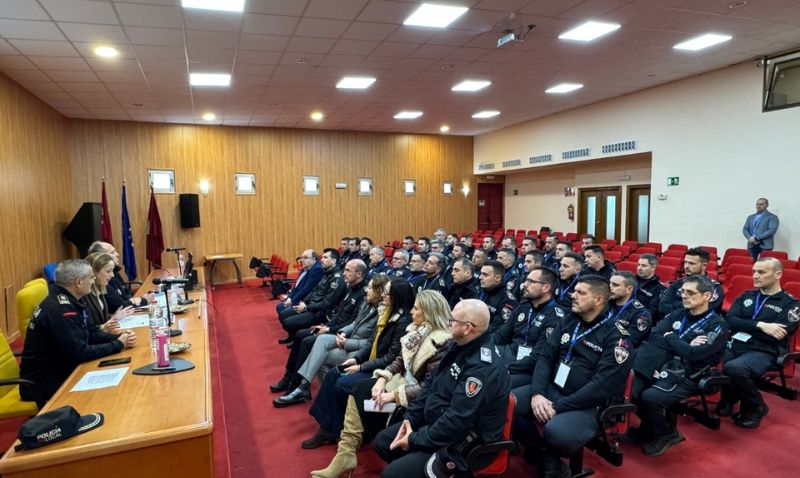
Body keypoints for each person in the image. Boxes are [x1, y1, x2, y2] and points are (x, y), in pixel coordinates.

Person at [310, 290, 453, 478]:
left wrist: (393, 395)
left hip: (416, 396)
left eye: (416, 309)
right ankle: (345, 455)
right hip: (400, 383)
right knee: (358, 388)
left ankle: (358, 455)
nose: (412, 311)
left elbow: (428, 386)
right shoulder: (418, 330)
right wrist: (382, 378)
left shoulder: (442, 342)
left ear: (429, 312)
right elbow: (399, 361)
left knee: (356, 388)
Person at [373, 300, 511, 478]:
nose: (448, 323)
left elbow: (458, 421)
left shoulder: (482, 369)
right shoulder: (458, 344)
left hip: (464, 440)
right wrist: (411, 420)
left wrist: (414, 440)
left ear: (467, 328)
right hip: (438, 422)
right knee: (383, 442)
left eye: (452, 320)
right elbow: (430, 385)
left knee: (391, 474)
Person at [513, 276, 631, 478]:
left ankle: (548, 457)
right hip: (552, 389)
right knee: (507, 404)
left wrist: (558, 407)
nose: (572, 295)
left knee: (557, 432)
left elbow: (601, 386)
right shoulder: (568, 321)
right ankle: (548, 459)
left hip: (585, 403)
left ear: (599, 300)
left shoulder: (617, 337)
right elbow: (545, 358)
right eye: (574, 291)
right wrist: (537, 394)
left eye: (580, 293)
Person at [304, 279, 414, 449]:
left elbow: (392, 358)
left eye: (387, 293)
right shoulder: (387, 312)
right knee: (335, 372)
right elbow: (371, 342)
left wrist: (361, 367)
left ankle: (337, 430)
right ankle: (330, 427)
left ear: (396, 296)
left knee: (342, 383)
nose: (383, 295)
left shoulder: (403, 321)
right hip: (372, 362)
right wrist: (357, 359)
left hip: (385, 371)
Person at [630, 275, 729, 457]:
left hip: (690, 373)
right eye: (683, 292)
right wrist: (683, 342)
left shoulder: (718, 325)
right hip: (663, 362)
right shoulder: (678, 313)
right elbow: (655, 335)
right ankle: (650, 427)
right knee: (631, 388)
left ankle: (667, 432)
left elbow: (694, 355)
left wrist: (671, 336)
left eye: (690, 293)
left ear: (707, 296)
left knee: (650, 397)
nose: (684, 296)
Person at [20, 260, 136, 406]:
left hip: (63, 369)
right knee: (112, 395)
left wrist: (118, 337)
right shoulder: (60, 310)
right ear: (79, 282)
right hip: (45, 383)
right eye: (91, 278)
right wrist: (118, 344)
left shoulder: (73, 299)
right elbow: (80, 352)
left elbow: (91, 332)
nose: (94, 281)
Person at [273, 276, 385, 407]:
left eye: (370, 287)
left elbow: (371, 342)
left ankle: (309, 391)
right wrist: (342, 332)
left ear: (379, 291)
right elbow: (354, 323)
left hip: (358, 350)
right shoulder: (367, 303)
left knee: (318, 353)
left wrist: (346, 341)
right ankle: (305, 387)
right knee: (319, 339)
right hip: (346, 337)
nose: (367, 290)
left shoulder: (382, 312)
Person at [718, 257, 799, 428]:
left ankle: (756, 406)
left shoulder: (791, 304)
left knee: (735, 368)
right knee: (715, 359)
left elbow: (776, 334)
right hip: (737, 344)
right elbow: (730, 321)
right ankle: (729, 398)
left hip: (765, 350)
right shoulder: (746, 296)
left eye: (761, 272)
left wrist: (746, 326)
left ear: (778, 274)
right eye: (754, 271)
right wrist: (761, 325)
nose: (755, 276)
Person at [270, 260, 369, 394]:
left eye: (347, 270)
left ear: (358, 274)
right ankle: (289, 377)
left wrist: (329, 330)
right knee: (300, 335)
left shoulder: (363, 294)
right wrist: (326, 325)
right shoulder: (351, 287)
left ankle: (296, 385)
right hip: (332, 327)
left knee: (306, 341)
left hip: (342, 335)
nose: (344, 273)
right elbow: (339, 313)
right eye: (344, 270)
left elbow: (353, 323)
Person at [494, 267, 565, 388]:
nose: (524, 285)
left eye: (530, 282)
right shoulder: (524, 306)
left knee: (492, 381)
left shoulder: (556, 317)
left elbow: (537, 358)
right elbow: (501, 335)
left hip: (527, 369)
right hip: (508, 355)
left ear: (546, 287)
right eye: (525, 280)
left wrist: (504, 366)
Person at [278, 249, 345, 344]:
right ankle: (294, 337)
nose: (321, 260)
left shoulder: (337, 278)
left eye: (325, 257)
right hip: (311, 306)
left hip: (319, 312)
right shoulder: (327, 273)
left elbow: (327, 303)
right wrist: (304, 302)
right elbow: (314, 290)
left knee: (289, 323)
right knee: (284, 315)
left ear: (334, 261)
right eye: (322, 257)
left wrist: (306, 307)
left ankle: (296, 338)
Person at [87, 241, 153, 313]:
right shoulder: (101, 283)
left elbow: (126, 291)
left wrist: (134, 300)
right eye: (112, 252)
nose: (117, 254)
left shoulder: (114, 271)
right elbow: (119, 306)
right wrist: (142, 300)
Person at [658, 247, 724, 317]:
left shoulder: (714, 287)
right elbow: (663, 307)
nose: (686, 266)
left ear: (704, 266)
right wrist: (691, 305)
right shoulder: (678, 283)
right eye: (685, 262)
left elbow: (701, 311)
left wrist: (675, 304)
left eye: (691, 263)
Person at [84, 252, 134, 334]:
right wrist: (112, 320)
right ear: (94, 272)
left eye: (112, 271)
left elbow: (102, 319)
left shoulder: (101, 289)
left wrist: (114, 317)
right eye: (108, 271)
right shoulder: (85, 296)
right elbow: (91, 329)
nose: (112, 275)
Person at [608, 271, 652, 347]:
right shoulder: (604, 304)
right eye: (610, 283)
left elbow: (628, 342)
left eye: (615, 285)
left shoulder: (641, 314)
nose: (610, 287)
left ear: (629, 289)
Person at [277, 249, 324, 314]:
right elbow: (296, 286)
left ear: (313, 259)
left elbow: (306, 290)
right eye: (302, 258)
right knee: (280, 306)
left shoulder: (316, 270)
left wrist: (292, 301)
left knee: (281, 308)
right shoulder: (305, 268)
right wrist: (290, 297)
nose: (302, 260)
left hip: (304, 300)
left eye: (305, 258)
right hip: (296, 296)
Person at [478, 260, 518, 332]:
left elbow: (497, 330)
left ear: (497, 278)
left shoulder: (507, 300)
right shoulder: (482, 290)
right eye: (480, 274)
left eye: (485, 275)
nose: (480, 277)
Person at [636, 254, 667, 322]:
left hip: (640, 320)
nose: (639, 268)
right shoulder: (630, 280)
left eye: (644, 266)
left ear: (653, 267)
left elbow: (652, 312)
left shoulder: (659, 289)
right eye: (638, 265)